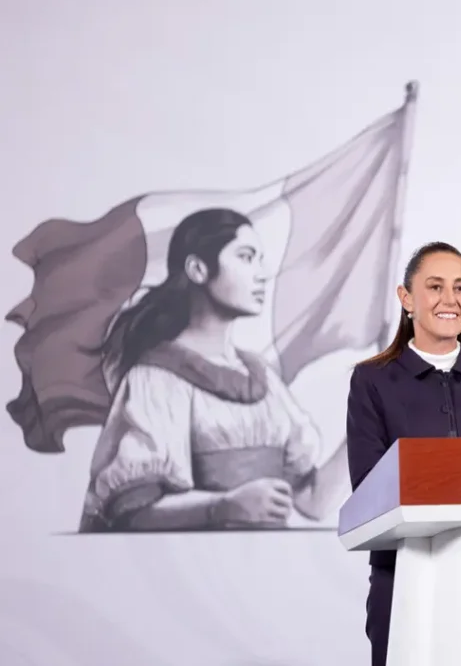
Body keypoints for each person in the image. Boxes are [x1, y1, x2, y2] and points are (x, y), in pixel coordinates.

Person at [79, 208, 350, 532]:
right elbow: (133, 511)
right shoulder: (157, 378)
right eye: (246, 257)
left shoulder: (261, 377)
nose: (262, 273)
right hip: (192, 572)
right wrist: (223, 506)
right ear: (197, 269)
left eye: (260, 259)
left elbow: (313, 501)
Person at [346, 241, 461, 665]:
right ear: (406, 298)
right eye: (435, 287)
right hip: (404, 575)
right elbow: (368, 489)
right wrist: (459, 470)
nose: (450, 300)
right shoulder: (373, 380)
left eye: (460, 288)